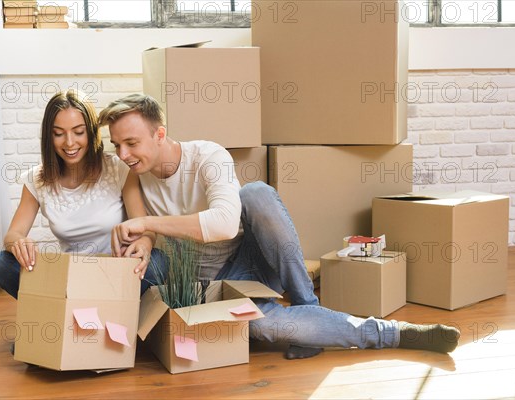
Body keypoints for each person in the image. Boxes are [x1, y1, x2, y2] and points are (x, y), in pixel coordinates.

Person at [99, 94, 461, 359]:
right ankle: (356, 330)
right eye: (117, 145)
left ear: (159, 134)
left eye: (132, 143)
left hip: (246, 264)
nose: (124, 154)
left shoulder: (207, 156)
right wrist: (144, 240)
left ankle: (326, 309)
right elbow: (141, 230)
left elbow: (225, 224)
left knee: (256, 194)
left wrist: (147, 222)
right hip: (193, 280)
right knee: (261, 327)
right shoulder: (133, 173)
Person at [0, 90, 156, 300]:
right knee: (1, 264)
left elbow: (145, 227)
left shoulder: (119, 169)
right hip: (68, 279)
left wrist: (145, 243)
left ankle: (81, 310)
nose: (69, 143)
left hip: (114, 273)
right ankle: (79, 309)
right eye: (59, 133)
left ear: (91, 132)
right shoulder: (37, 180)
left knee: (158, 261)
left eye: (79, 132)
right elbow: (13, 234)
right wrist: (18, 244)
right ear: (49, 136)